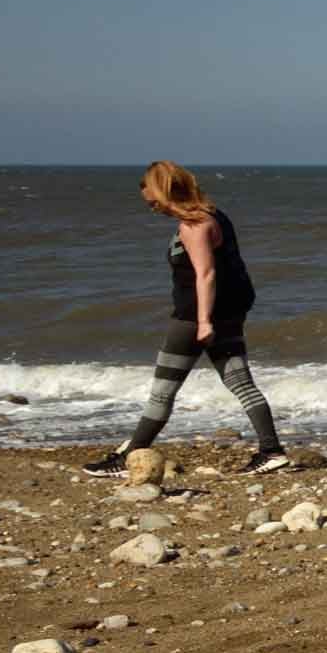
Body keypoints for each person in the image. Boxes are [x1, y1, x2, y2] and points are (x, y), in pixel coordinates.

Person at [81, 161, 289, 476]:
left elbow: (206, 274)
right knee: (240, 382)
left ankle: (128, 459)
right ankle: (271, 451)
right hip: (227, 312)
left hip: (195, 317)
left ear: (166, 193)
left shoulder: (194, 226)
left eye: (153, 203)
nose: (154, 210)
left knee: (163, 390)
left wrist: (204, 321)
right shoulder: (215, 215)